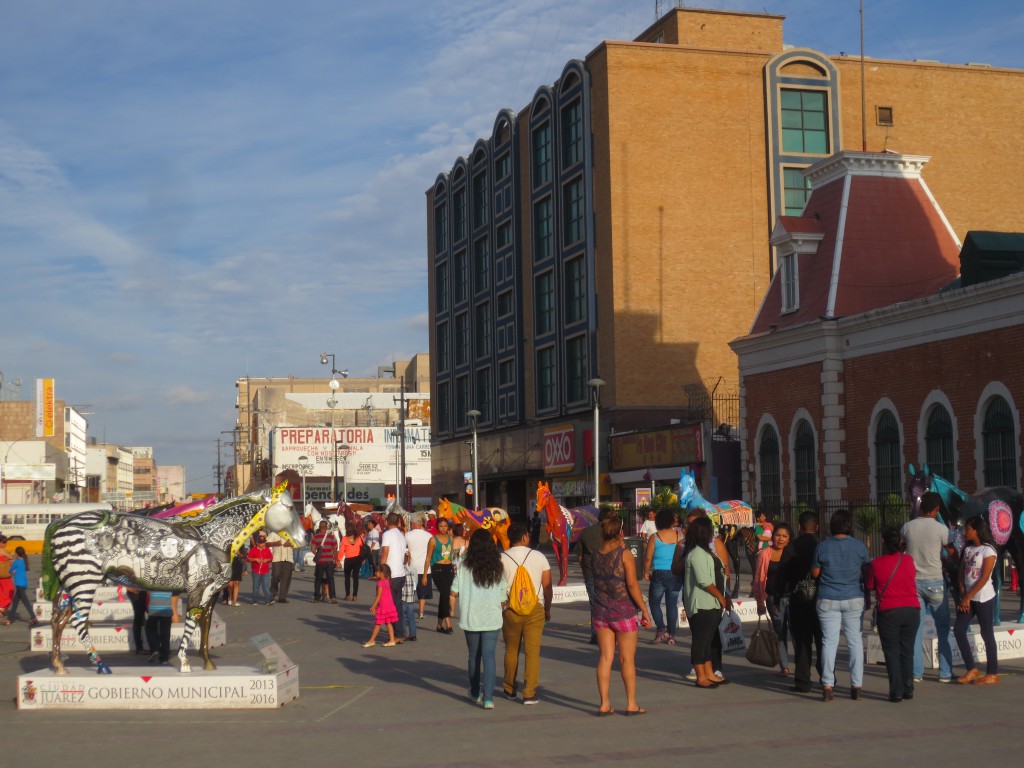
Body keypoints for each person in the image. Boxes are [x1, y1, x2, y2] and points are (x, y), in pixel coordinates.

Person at [592, 514, 653, 715]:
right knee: (627, 660)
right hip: (623, 612)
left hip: (601, 611)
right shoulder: (624, 554)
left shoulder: (596, 554)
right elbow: (632, 584)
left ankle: (604, 703)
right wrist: (644, 610)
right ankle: (631, 703)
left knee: (605, 658)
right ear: (620, 532)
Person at [811, 509, 870, 701]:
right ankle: (857, 686)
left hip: (828, 597)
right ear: (849, 525)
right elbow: (867, 570)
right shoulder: (860, 546)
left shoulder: (823, 546)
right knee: (855, 642)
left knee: (829, 642)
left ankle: (827, 685)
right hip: (854, 597)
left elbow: (815, 574)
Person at [452, 529, 508, 709]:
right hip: (492, 617)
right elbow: (503, 595)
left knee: (473, 656)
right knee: (489, 657)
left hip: (471, 617)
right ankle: (489, 698)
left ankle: (475, 692)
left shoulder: (463, 567)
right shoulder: (497, 567)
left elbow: (454, 591)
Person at [902, 491, 954, 684]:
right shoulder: (941, 529)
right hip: (935, 581)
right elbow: (951, 552)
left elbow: (900, 548)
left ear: (921, 507)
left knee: (916, 629)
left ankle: (916, 673)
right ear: (937, 509)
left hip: (914, 582)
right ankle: (945, 672)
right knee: (943, 628)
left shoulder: (907, 527)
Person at [865, 526, 920, 702]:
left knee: (891, 652)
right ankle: (908, 688)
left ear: (883, 542)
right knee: (907, 650)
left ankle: (896, 691)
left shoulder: (876, 563)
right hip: (911, 609)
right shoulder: (909, 560)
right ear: (901, 543)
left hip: (888, 610)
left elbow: (870, 585)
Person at [500, 522, 552, 705]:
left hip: (510, 608)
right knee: (532, 651)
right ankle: (529, 692)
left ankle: (509, 688)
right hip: (535, 608)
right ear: (524, 537)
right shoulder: (539, 556)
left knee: (511, 649)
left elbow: (498, 587)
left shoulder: (502, 558)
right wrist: (547, 609)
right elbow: (547, 586)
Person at [681, 515, 729, 688]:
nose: (713, 534)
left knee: (708, 640)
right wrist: (721, 596)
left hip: (712, 603)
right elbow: (704, 581)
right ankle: (701, 676)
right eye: (711, 530)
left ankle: (709, 672)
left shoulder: (705, 550)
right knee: (701, 641)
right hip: (702, 603)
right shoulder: (696, 553)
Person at [953, 515, 1000, 685]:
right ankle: (971, 669)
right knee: (959, 630)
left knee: (986, 633)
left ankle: (992, 673)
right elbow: (962, 571)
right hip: (967, 598)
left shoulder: (988, 550)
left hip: (983, 597)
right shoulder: (967, 549)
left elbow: (985, 577)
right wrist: (963, 593)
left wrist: (969, 596)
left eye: (968, 528)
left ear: (977, 530)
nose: (965, 531)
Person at [785, 511, 823, 693]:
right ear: (817, 527)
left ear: (798, 527)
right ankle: (826, 677)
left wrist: (778, 595)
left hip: (798, 597)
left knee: (802, 640)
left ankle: (802, 680)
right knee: (823, 640)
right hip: (821, 597)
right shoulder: (823, 545)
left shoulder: (792, 547)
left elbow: (783, 576)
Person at [754, 522, 794, 676]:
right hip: (773, 599)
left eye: (784, 536)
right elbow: (759, 577)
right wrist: (759, 601)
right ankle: (784, 665)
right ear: (773, 536)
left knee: (796, 633)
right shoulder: (765, 553)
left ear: (789, 538)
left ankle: (802, 664)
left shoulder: (792, 553)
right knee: (780, 632)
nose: (780, 539)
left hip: (792, 598)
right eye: (778, 535)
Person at [643, 509, 683, 645]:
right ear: (672, 521)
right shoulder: (679, 535)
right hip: (675, 573)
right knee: (672, 604)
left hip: (659, 573)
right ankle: (671, 634)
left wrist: (645, 571)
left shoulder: (655, 537)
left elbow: (648, 557)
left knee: (654, 603)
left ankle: (660, 629)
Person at [579, 508, 617, 645]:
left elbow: (580, 556)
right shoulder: (613, 533)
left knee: (594, 604)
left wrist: (585, 570)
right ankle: (612, 631)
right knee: (611, 602)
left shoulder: (586, 532)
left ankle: (596, 634)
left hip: (590, 572)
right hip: (610, 573)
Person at [425, 517, 456, 633]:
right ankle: (448, 624)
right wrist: (424, 575)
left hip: (448, 568)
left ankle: (439, 625)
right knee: (445, 594)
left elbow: (452, 554)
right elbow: (428, 558)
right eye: (441, 526)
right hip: (437, 568)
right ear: (437, 527)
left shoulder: (451, 539)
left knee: (444, 595)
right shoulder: (433, 540)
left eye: (445, 526)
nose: (443, 528)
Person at [380, 512, 409, 617]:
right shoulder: (401, 535)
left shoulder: (387, 534)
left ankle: (396, 631)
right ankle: (399, 630)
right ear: (398, 522)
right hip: (400, 573)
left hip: (391, 574)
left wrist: (381, 571)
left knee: (390, 605)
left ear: (387, 522)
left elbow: (384, 554)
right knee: (397, 604)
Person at [363, 564, 398, 648]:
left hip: (383, 606)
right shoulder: (387, 580)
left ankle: (372, 640)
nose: (375, 572)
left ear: (382, 573)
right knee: (388, 622)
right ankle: (392, 640)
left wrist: (374, 606)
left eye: (377, 571)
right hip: (389, 605)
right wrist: (376, 578)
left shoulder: (380, 583)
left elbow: (379, 596)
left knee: (378, 623)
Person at [406, 514, 433, 619]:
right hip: (425, 568)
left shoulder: (407, 535)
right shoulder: (429, 535)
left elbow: (406, 550)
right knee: (423, 593)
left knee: (410, 591)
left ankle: (409, 611)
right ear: (421, 523)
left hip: (411, 567)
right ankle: (421, 612)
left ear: (412, 524)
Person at [2, 547, 36, 625]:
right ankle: (10, 619)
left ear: (16, 554)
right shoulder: (24, 561)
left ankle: (34, 617)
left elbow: (10, 571)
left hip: (19, 585)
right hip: (23, 584)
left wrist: (12, 570)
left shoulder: (17, 562)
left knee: (26, 602)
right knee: (15, 602)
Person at [310, 520, 339, 603]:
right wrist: (336, 560)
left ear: (319, 527)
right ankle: (333, 597)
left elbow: (312, 549)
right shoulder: (331, 537)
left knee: (318, 580)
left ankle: (316, 597)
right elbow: (335, 550)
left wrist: (318, 554)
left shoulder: (315, 537)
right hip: (329, 561)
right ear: (326, 528)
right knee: (330, 579)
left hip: (320, 562)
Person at [267, 530, 295, 604]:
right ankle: (272, 594)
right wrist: (275, 543)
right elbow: (266, 543)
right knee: (275, 576)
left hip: (288, 558)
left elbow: (299, 544)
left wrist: (291, 544)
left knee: (286, 578)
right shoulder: (274, 533)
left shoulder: (291, 533)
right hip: (277, 558)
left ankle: (282, 597)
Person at [340, 522, 365, 601]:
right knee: (355, 577)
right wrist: (363, 558)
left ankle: (347, 595)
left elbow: (341, 551)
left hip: (348, 559)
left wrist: (338, 560)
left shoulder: (344, 538)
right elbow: (363, 549)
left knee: (347, 578)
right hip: (357, 559)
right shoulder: (359, 538)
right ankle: (355, 595)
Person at [247, 532, 273, 605]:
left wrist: (266, 560)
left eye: (264, 542)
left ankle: (268, 600)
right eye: (261, 543)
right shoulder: (253, 550)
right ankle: (255, 600)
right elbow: (248, 559)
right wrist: (255, 559)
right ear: (257, 543)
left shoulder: (267, 549)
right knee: (256, 587)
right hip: (256, 571)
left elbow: (271, 558)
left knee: (266, 587)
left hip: (265, 571)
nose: (263, 544)